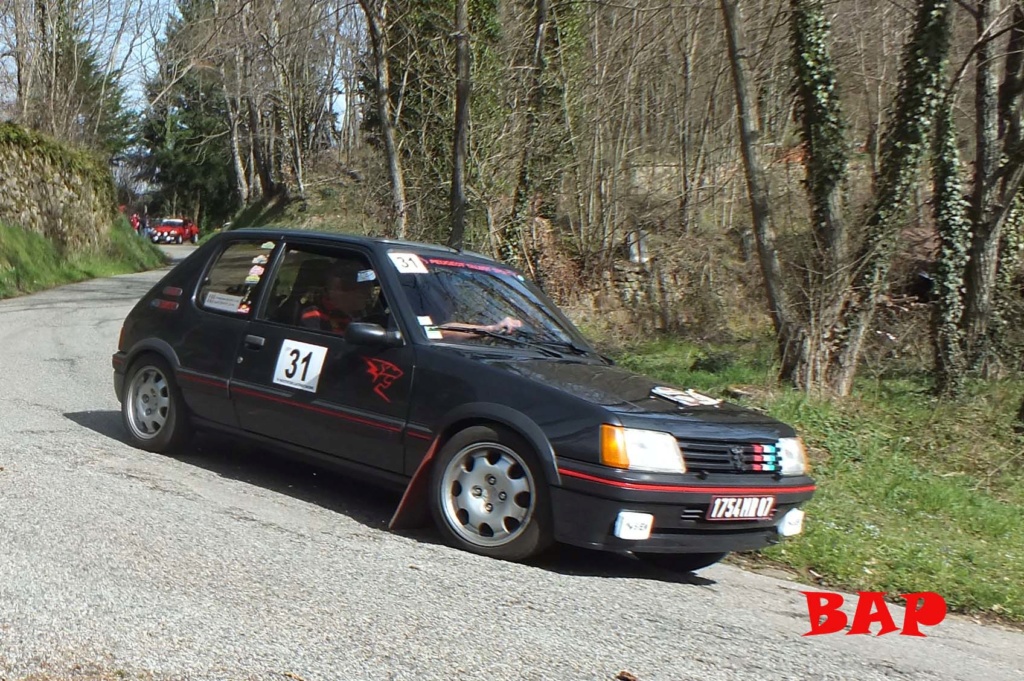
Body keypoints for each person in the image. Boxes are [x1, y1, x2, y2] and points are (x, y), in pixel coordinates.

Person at [300, 259, 378, 334]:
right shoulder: (314, 317)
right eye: (361, 287)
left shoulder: (361, 315)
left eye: (367, 286)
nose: (367, 293)